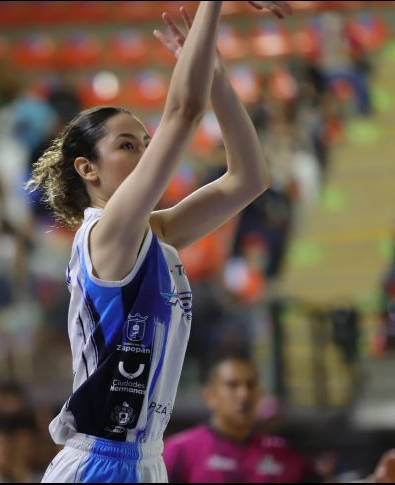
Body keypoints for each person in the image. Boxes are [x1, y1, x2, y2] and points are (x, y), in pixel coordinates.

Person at [27, 2, 290, 482]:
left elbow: (249, 178)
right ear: (87, 169)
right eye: (127, 145)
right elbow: (183, 112)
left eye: (147, 143)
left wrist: (215, 78)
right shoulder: (105, 235)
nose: (146, 154)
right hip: (98, 461)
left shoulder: (155, 233)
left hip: (146, 458)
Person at [163, 355, 395, 483]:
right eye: (233, 385)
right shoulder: (180, 450)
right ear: (210, 395)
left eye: (251, 386)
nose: (243, 394)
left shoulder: (283, 456)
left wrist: (378, 480)